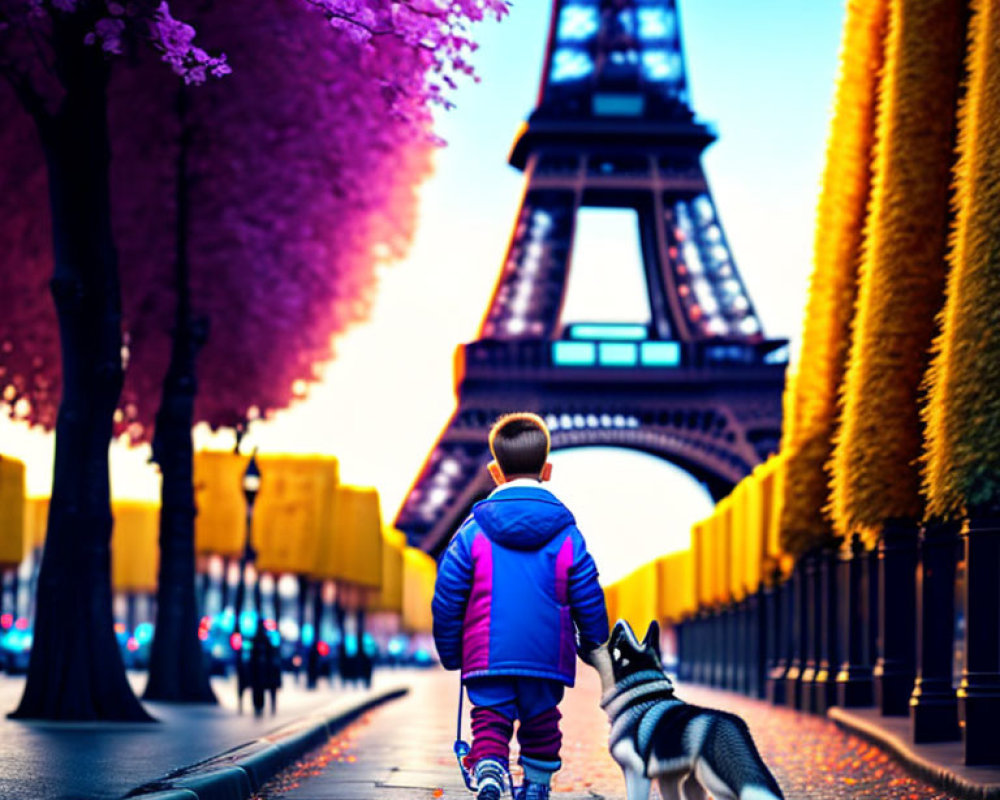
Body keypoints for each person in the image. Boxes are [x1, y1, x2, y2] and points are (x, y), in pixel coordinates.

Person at [432, 412, 609, 800]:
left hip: (486, 654)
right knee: (542, 724)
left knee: (490, 720)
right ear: (547, 469)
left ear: (496, 472)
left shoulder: (472, 533)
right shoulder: (567, 535)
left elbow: (448, 595)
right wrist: (594, 643)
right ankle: (537, 785)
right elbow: (587, 591)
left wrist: (451, 650)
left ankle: (491, 766)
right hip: (545, 656)